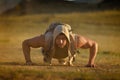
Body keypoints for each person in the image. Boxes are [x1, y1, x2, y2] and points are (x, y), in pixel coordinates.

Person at [22, 22, 98, 67]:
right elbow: (25, 43)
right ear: (54, 37)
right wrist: (28, 61)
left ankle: (63, 60)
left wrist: (91, 62)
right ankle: (49, 57)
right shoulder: (45, 40)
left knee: (63, 60)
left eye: (63, 39)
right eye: (58, 39)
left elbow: (94, 44)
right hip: (49, 52)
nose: (61, 42)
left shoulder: (76, 40)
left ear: (68, 39)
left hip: (67, 54)